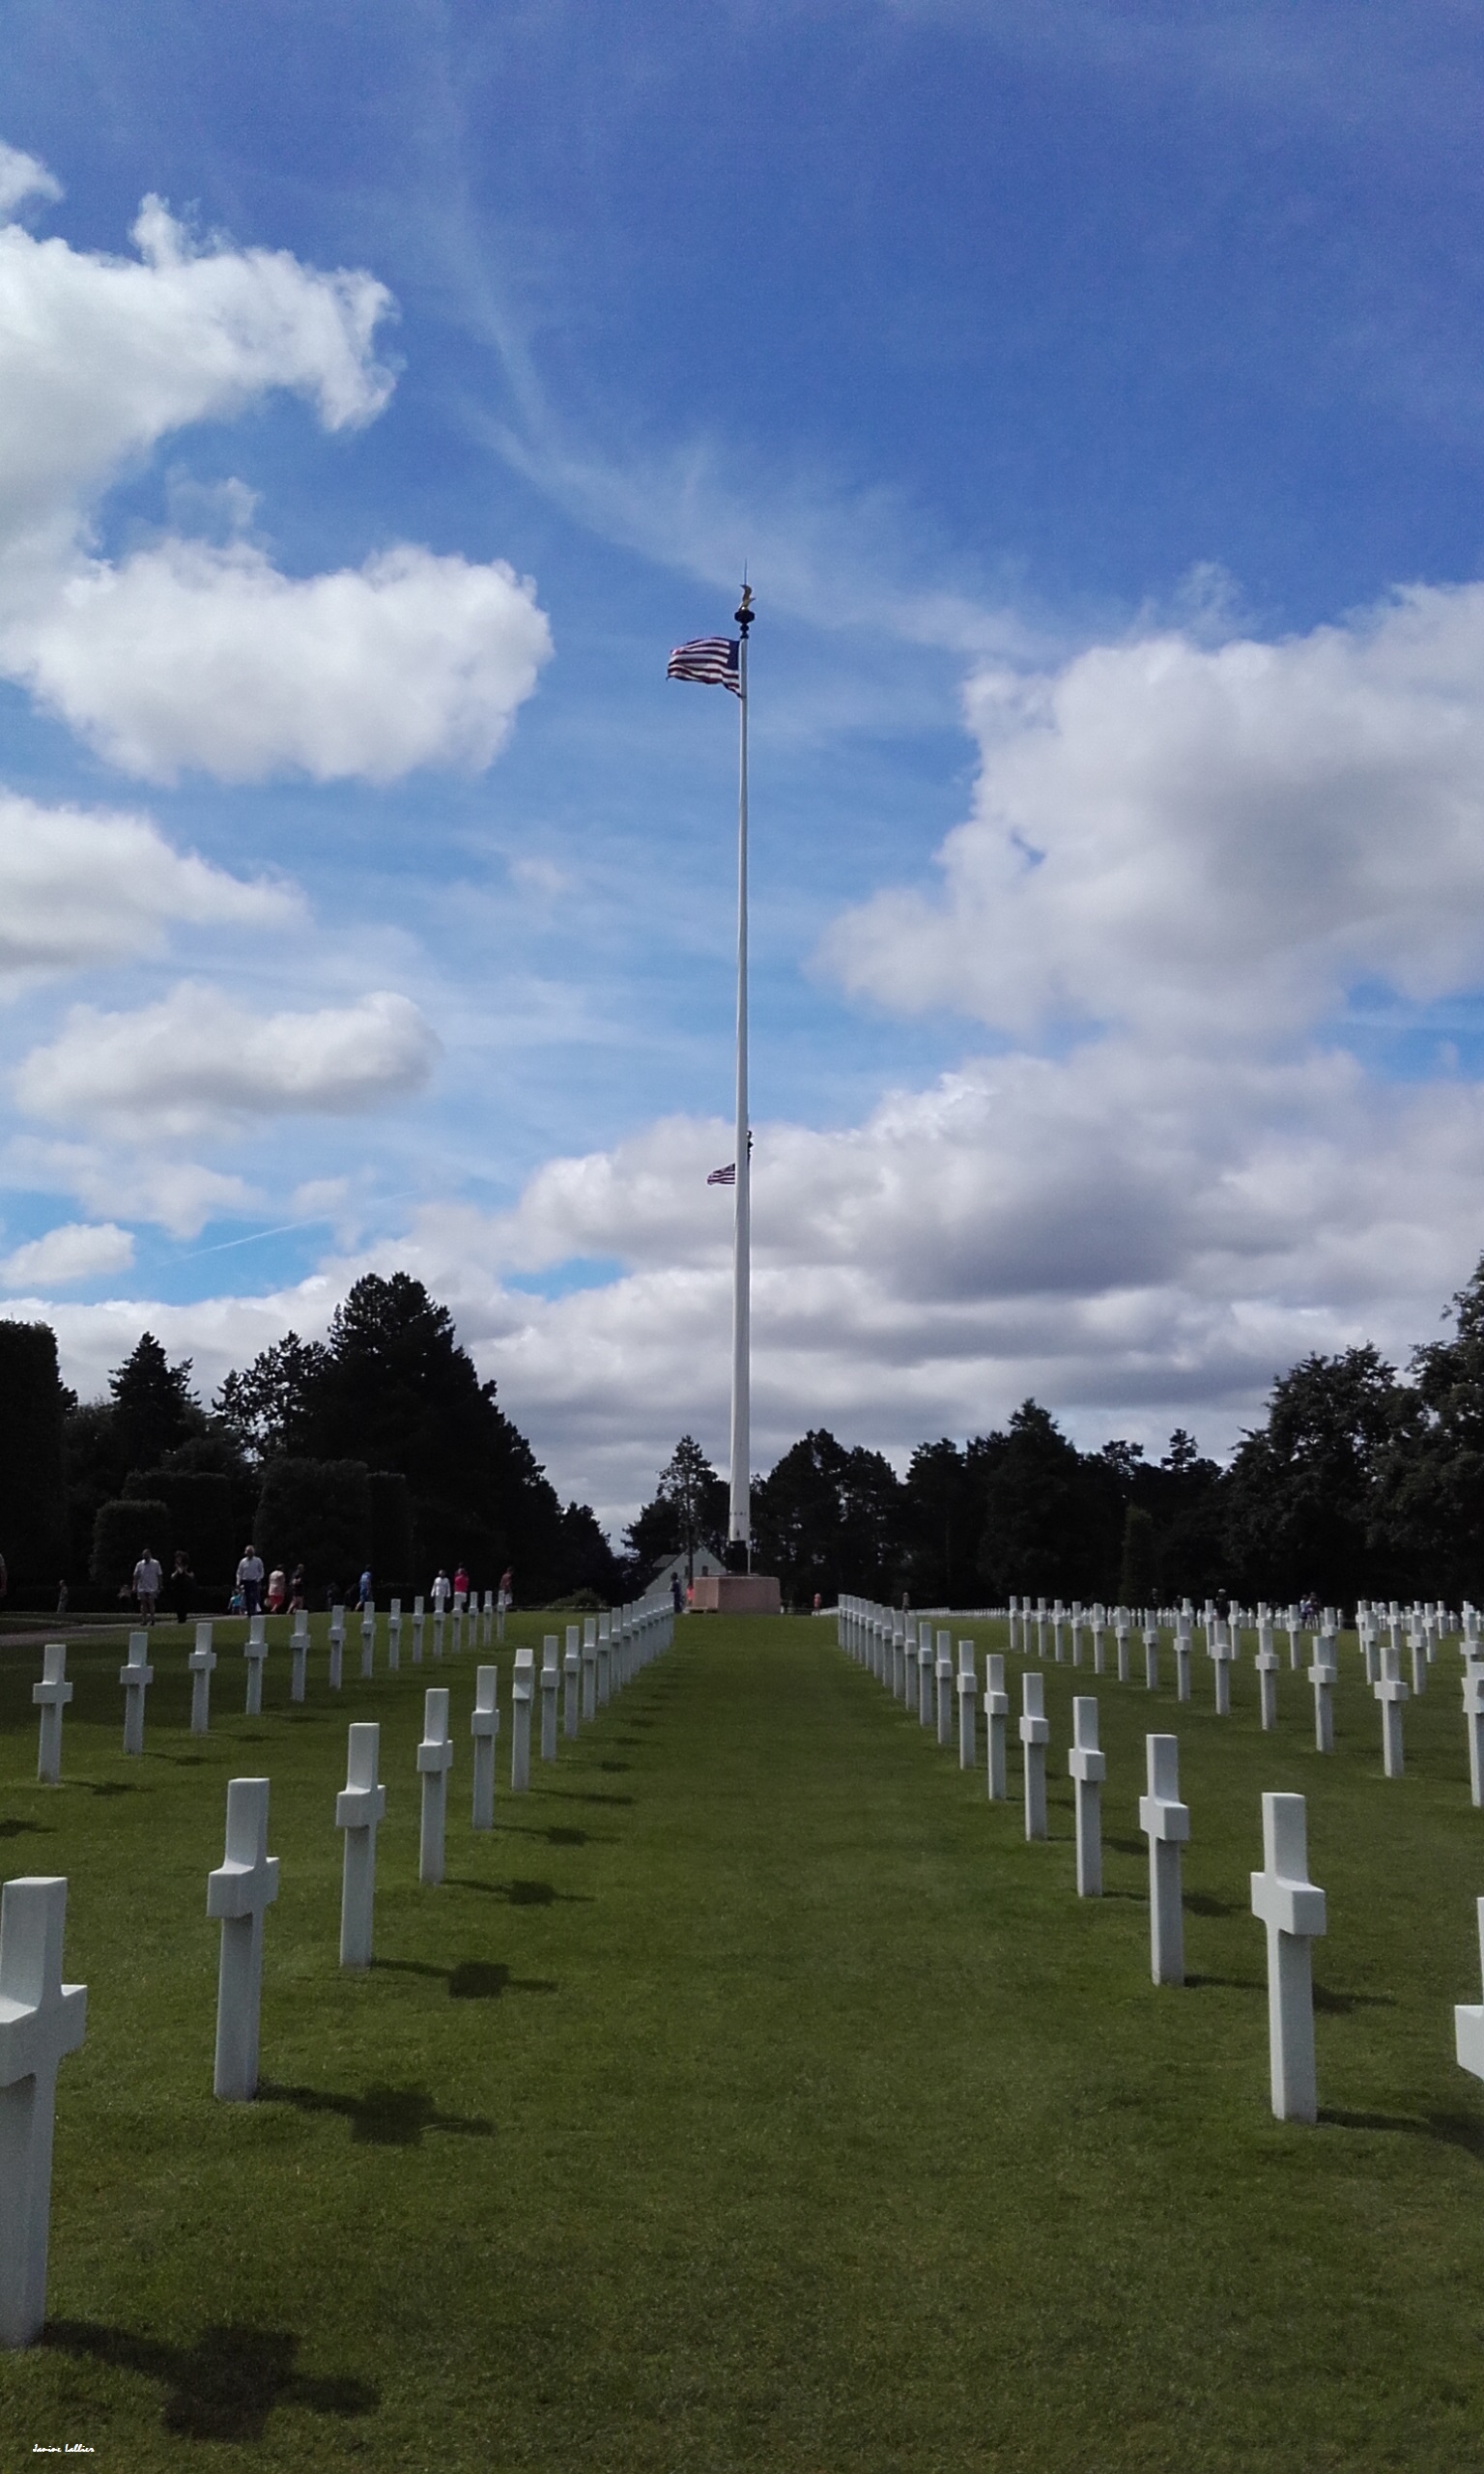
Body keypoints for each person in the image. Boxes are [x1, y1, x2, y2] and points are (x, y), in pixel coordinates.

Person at [133, 1544, 163, 1624]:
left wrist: (160, 1585)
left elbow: (159, 1575)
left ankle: (152, 1618)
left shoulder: (156, 1563)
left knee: (151, 1602)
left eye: (146, 1555)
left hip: (152, 1586)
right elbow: (136, 1576)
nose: (145, 1557)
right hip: (142, 1586)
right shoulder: (139, 1564)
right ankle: (144, 1619)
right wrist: (135, 1586)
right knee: (143, 1603)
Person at [237, 1542, 264, 1617]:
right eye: (248, 1552)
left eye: (250, 1552)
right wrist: (238, 1582)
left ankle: (254, 1611)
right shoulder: (243, 1561)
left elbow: (261, 1571)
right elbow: (239, 1572)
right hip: (246, 1581)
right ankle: (249, 1612)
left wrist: (258, 1579)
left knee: (254, 1596)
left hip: (254, 1581)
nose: (249, 1554)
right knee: (247, 1597)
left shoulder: (258, 1560)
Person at [169, 1549, 194, 1625]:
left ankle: (183, 1617)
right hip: (177, 1586)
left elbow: (192, 1576)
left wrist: (185, 1571)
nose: (178, 1559)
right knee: (177, 1602)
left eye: (179, 1557)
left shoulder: (187, 1566)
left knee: (185, 1602)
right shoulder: (175, 1566)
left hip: (185, 1586)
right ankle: (179, 1617)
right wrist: (177, 1571)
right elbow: (172, 1577)